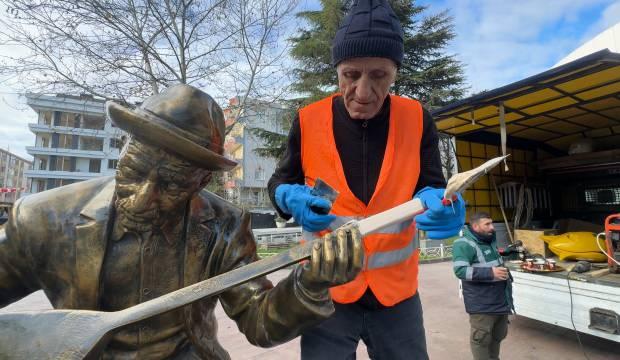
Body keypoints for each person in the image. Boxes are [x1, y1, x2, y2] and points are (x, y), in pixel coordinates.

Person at [0, 84, 365, 359]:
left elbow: (259, 320)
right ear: (124, 150)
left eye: (172, 184)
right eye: (134, 171)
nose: (144, 197)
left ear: (201, 182)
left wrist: (310, 284)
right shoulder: (43, 219)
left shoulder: (224, 226)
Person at [267, 1, 465, 358]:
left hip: (397, 296)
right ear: (337, 71)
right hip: (327, 289)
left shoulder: (417, 118)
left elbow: (431, 184)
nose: (362, 91)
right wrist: (289, 197)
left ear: (395, 73)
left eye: (379, 76)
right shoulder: (308, 120)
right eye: (350, 75)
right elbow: (278, 183)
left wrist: (441, 203)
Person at [452, 211, 514, 360]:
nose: (492, 227)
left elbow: (491, 261)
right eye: (487, 224)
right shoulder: (463, 244)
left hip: (500, 300)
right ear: (475, 226)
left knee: (497, 336)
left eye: (491, 223)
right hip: (482, 305)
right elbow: (460, 271)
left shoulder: (489, 240)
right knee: (481, 340)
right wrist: (490, 273)